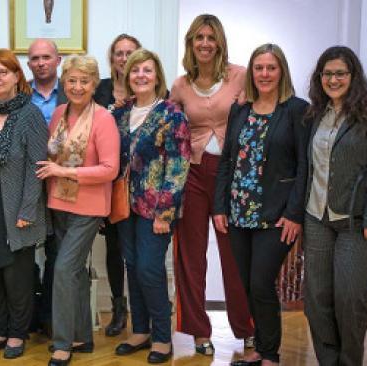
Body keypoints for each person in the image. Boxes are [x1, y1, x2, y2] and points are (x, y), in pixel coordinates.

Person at [213, 44, 309, 366]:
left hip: (276, 215)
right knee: (249, 285)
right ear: (251, 72)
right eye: (259, 68)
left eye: (271, 67)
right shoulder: (240, 109)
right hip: (239, 212)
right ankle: (261, 349)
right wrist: (219, 206)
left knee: (261, 282)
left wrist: (295, 214)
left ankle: (270, 354)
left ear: (281, 71)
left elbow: (304, 167)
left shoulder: (297, 110)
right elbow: (227, 160)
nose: (264, 74)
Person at [303, 46, 367, 366]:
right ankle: (328, 360)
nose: (333, 79)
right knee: (316, 299)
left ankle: (349, 361)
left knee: (349, 297)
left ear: (353, 76)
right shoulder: (316, 113)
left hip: (356, 221)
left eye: (340, 73)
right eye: (327, 73)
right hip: (316, 217)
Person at [169, 14, 255, 355]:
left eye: (210, 37)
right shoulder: (180, 85)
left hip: (231, 174)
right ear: (190, 43)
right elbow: (170, 132)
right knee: (191, 257)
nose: (205, 43)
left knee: (235, 254)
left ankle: (247, 328)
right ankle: (198, 332)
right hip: (192, 173)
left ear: (219, 42)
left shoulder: (240, 77)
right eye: (198, 37)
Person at [37, 55, 120, 365]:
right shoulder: (58, 112)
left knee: (63, 269)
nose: (77, 86)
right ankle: (82, 336)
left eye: (84, 81)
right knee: (74, 272)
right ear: (64, 82)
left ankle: (62, 344)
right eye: (71, 80)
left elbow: (110, 169)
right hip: (58, 203)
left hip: (89, 208)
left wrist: (64, 173)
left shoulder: (103, 119)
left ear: (94, 84)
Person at [112, 48, 190, 364]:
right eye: (135, 71)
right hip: (124, 205)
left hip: (156, 207)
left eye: (147, 70)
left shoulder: (171, 113)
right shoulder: (119, 112)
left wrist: (165, 212)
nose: (141, 76)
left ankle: (161, 336)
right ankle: (140, 329)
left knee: (149, 267)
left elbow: (178, 165)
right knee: (132, 264)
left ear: (157, 75)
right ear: (127, 76)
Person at [0, 49, 48, 359]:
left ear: (17, 76)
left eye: (4, 71)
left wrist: (28, 209)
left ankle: (17, 333)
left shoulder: (30, 115)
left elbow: (37, 167)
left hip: (16, 208)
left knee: (17, 277)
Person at [92, 33, 142, 337]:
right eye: (119, 53)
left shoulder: (152, 87)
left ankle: (143, 310)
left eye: (129, 53)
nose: (124, 59)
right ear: (112, 58)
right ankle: (118, 308)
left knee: (140, 251)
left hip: (141, 181)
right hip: (109, 182)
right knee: (114, 248)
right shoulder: (101, 89)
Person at [27, 37, 66, 337]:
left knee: (58, 251)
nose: (41, 63)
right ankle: (27, 314)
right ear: (29, 64)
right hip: (26, 181)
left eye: (46, 57)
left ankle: (51, 315)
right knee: (24, 250)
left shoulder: (73, 91)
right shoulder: (20, 93)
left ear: (58, 60)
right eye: (35, 58)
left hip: (62, 181)